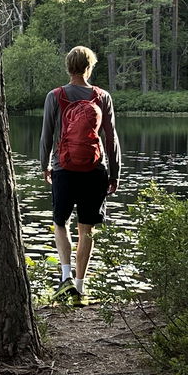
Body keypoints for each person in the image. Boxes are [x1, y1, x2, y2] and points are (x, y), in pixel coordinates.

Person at [39, 46, 120, 304]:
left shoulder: (55, 96)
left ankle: (65, 279)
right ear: (89, 67)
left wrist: (44, 165)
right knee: (86, 229)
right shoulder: (102, 96)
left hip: (63, 169)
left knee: (60, 223)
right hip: (95, 170)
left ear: (68, 67)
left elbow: (46, 136)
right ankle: (81, 287)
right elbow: (111, 138)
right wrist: (115, 172)